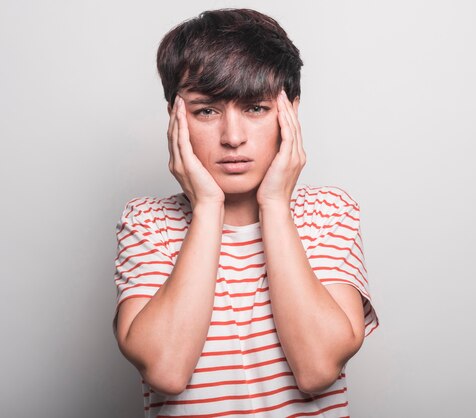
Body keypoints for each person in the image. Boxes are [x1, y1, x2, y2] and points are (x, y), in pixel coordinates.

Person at [112, 8, 378, 417]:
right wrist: (206, 207)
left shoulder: (329, 213)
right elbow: (166, 370)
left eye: (255, 108)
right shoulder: (148, 222)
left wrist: (273, 203)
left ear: (290, 112)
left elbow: (317, 369)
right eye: (207, 111)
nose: (232, 137)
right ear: (175, 117)